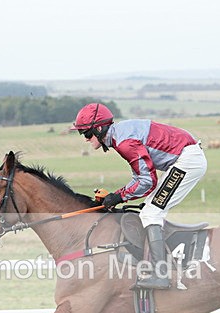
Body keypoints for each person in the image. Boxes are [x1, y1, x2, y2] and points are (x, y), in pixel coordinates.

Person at [72, 103, 207, 289]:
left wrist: (118, 196)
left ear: (100, 128)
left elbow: (147, 181)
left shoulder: (124, 142)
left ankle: (161, 275)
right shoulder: (120, 135)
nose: (85, 139)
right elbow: (141, 175)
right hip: (183, 158)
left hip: (187, 161)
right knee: (149, 208)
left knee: (151, 213)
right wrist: (117, 196)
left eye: (86, 133)